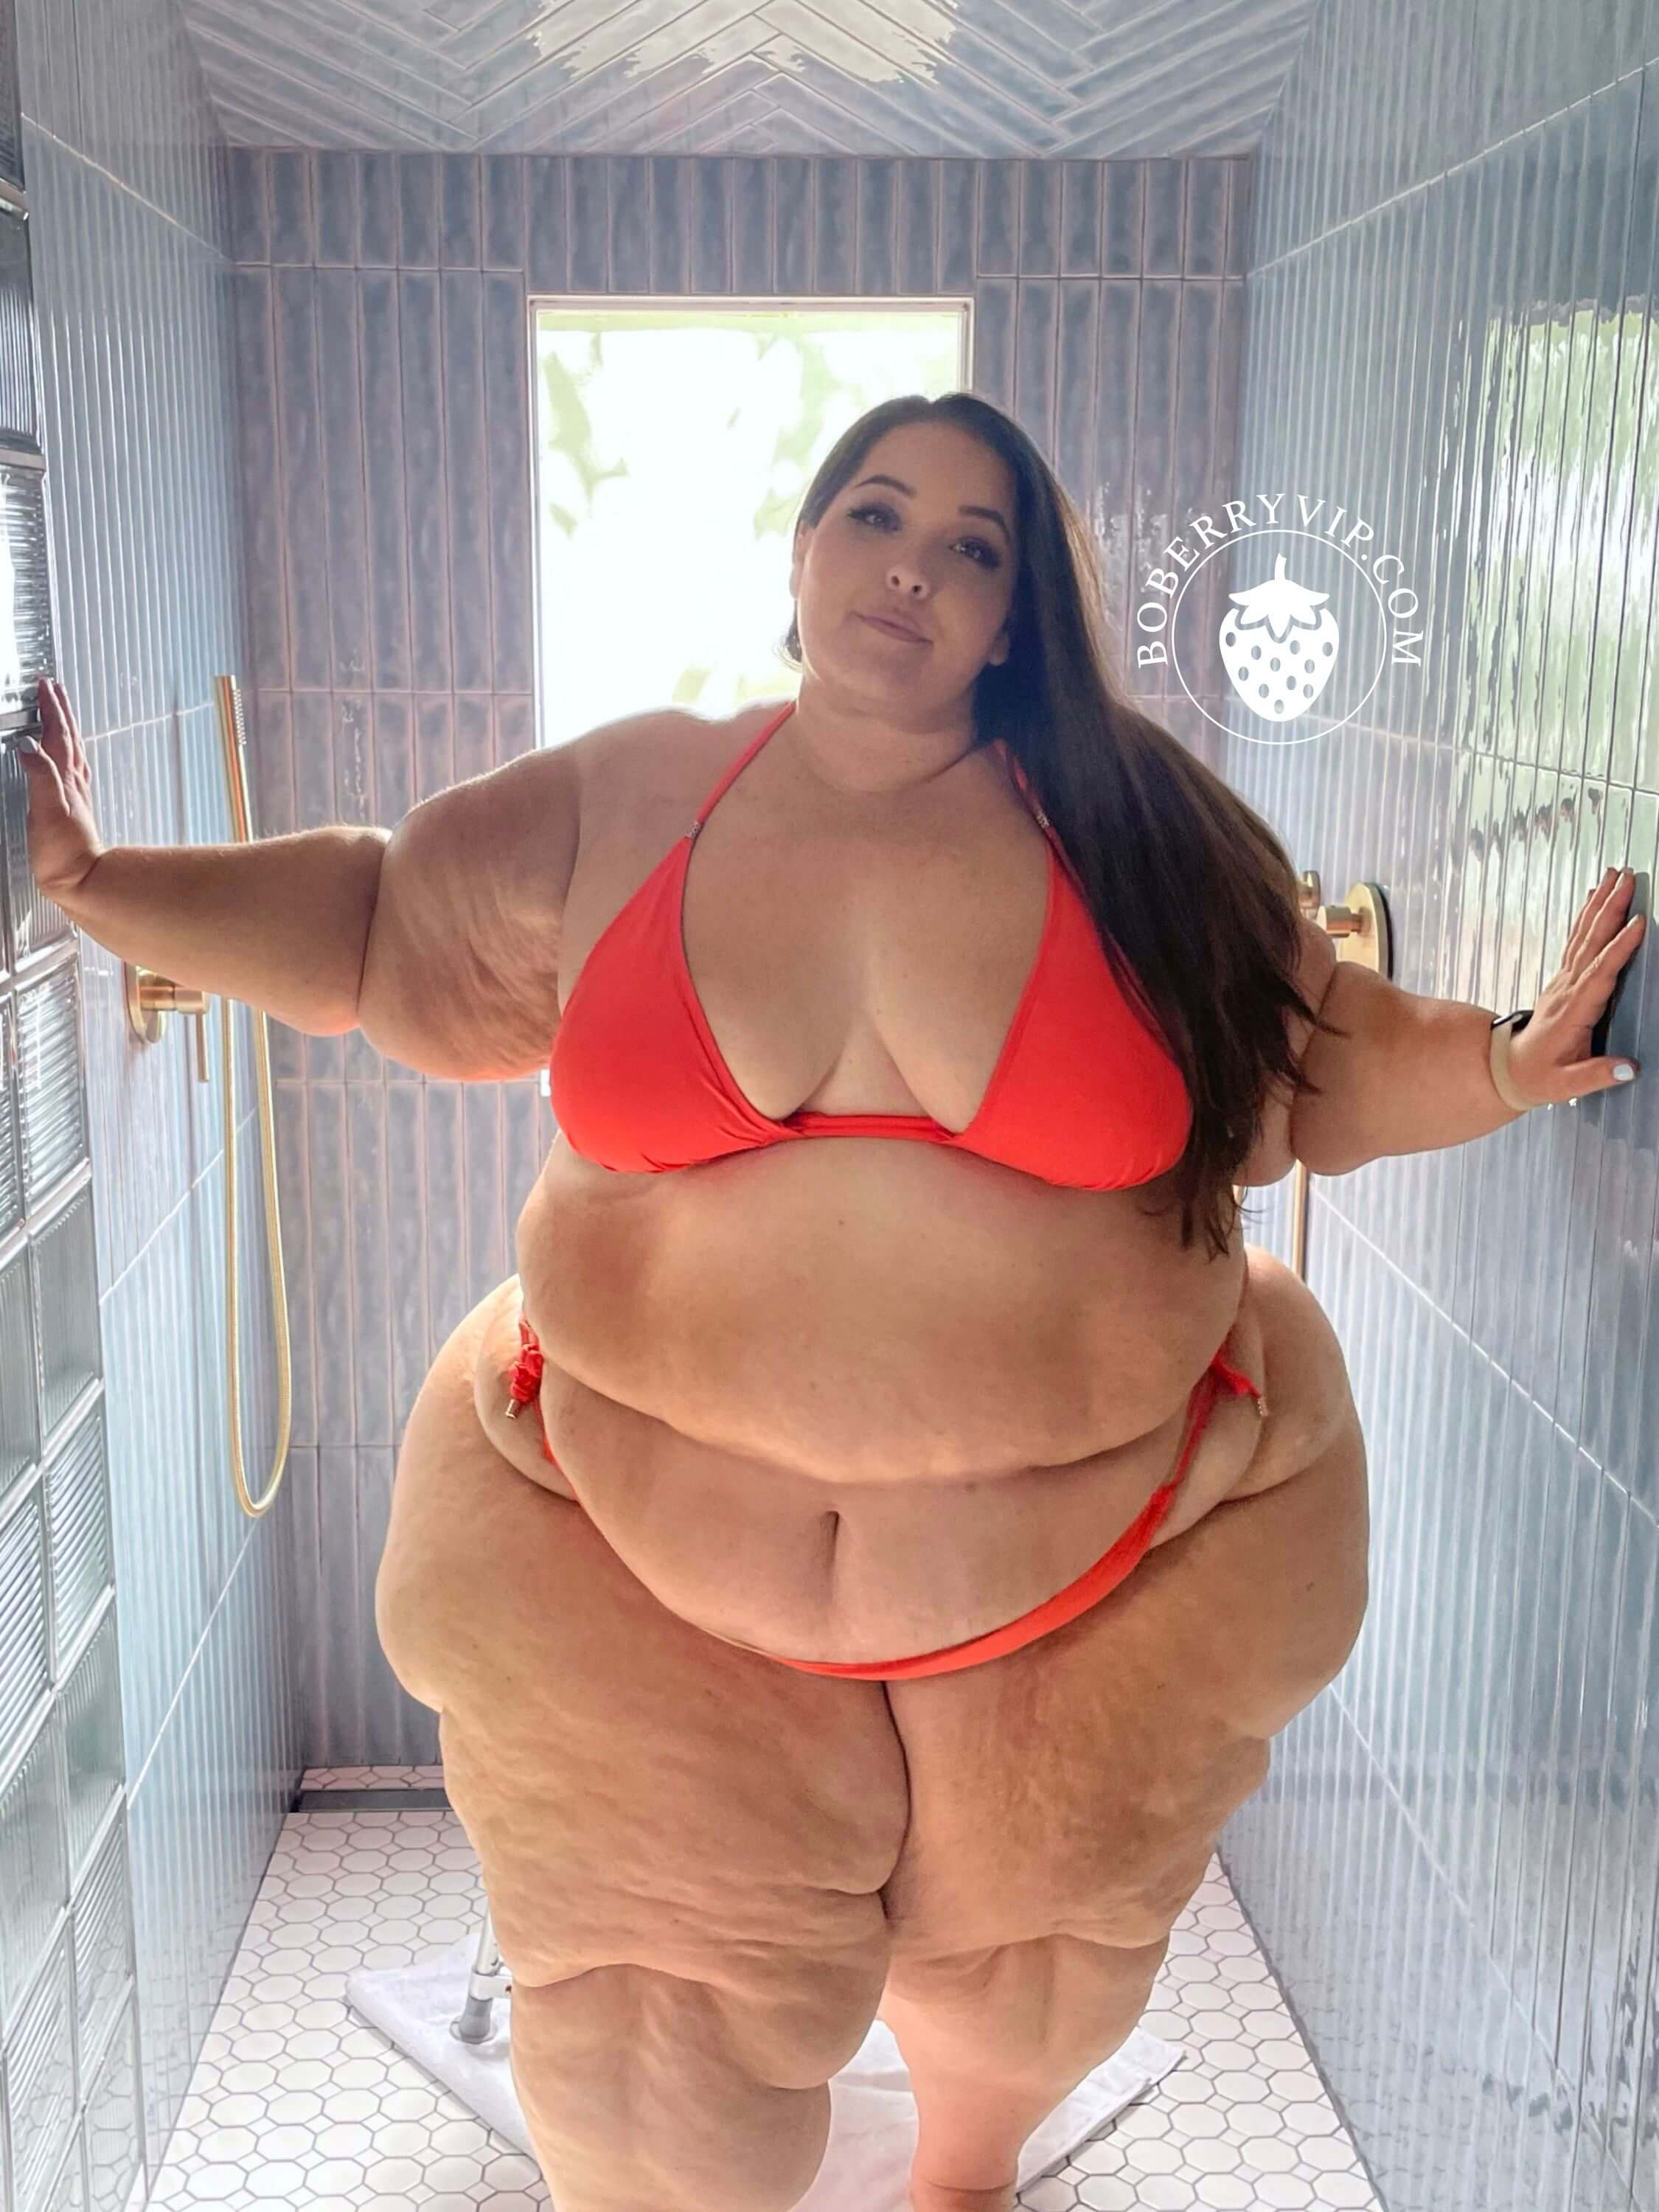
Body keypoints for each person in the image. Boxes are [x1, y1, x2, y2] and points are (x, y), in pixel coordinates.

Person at [24, 392, 1643, 2212]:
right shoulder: (635, 794)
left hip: (1107, 1556)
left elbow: (1316, 1049)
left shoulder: (1142, 828)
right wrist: (90, 880)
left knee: (1032, 1983)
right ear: (801, 553)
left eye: (974, 545)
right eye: (877, 514)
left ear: (1016, 617)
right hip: (630, 1533)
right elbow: (378, 924)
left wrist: (1502, 1065)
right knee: (645, 2039)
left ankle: (966, 2175)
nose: (914, 568)